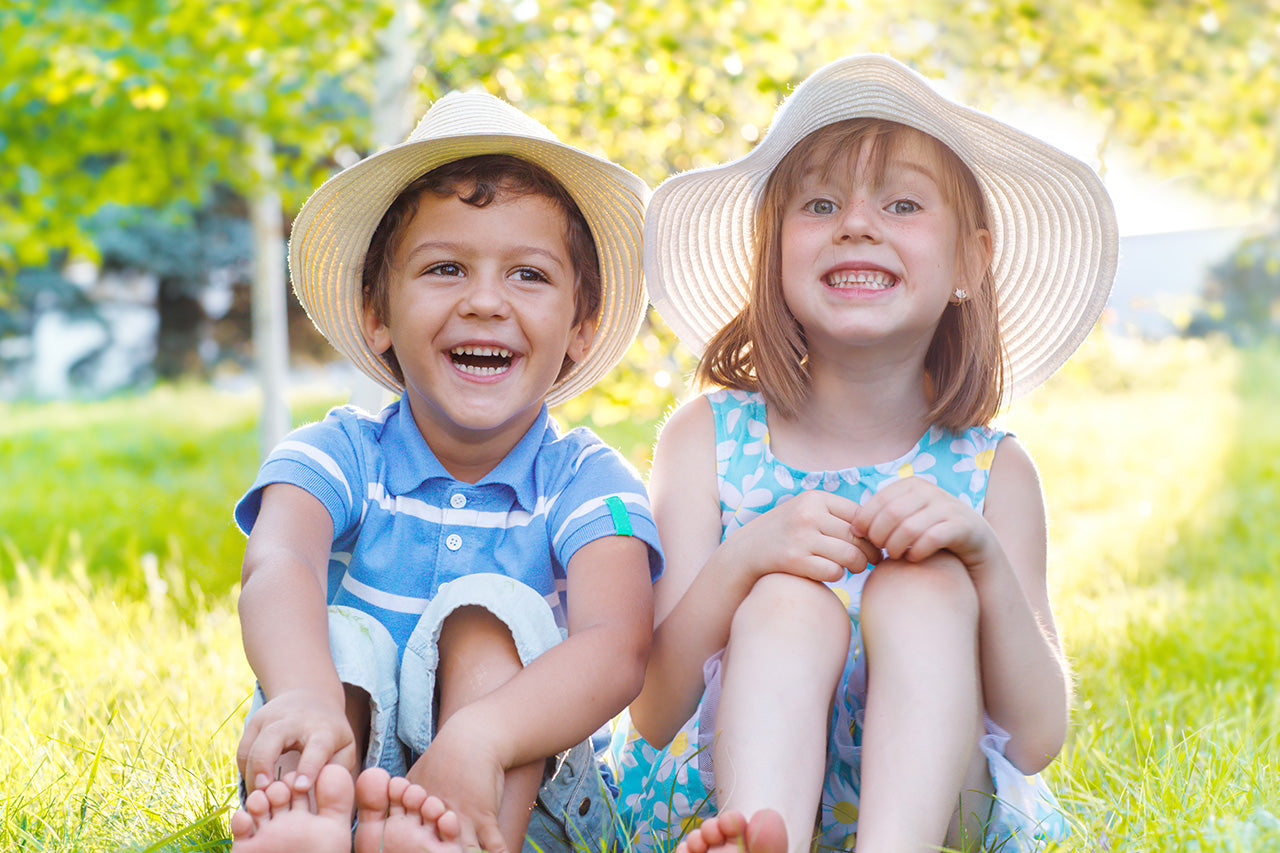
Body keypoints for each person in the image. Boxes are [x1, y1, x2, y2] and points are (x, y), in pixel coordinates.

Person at [609, 54, 1117, 853]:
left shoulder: (994, 472)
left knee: (927, 585)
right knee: (784, 600)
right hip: (728, 789)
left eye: (903, 203)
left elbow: (1035, 737)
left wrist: (980, 558)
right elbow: (653, 705)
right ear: (774, 254)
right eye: (819, 202)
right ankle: (760, 838)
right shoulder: (708, 439)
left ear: (969, 263)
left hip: (940, 807)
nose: (856, 222)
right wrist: (745, 559)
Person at [228, 91, 663, 853]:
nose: (486, 301)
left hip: (515, 794)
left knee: (494, 612)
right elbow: (279, 558)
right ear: (378, 313)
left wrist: (482, 738)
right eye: (446, 267)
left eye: (528, 275)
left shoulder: (590, 482)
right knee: (337, 638)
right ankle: (314, 809)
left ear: (580, 330)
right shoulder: (337, 453)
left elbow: (618, 642)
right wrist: (305, 693)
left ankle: (452, 829)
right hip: (344, 758)